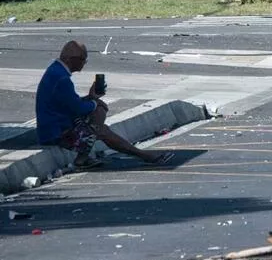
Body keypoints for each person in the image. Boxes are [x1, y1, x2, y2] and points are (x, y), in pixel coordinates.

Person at [35, 41, 174, 169]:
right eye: (83, 60)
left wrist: (91, 98)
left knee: (99, 115)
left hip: (56, 125)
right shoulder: (62, 79)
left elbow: (68, 104)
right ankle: (145, 156)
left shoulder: (55, 71)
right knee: (100, 123)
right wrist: (94, 102)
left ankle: (83, 157)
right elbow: (77, 109)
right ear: (72, 60)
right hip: (56, 133)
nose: (84, 64)